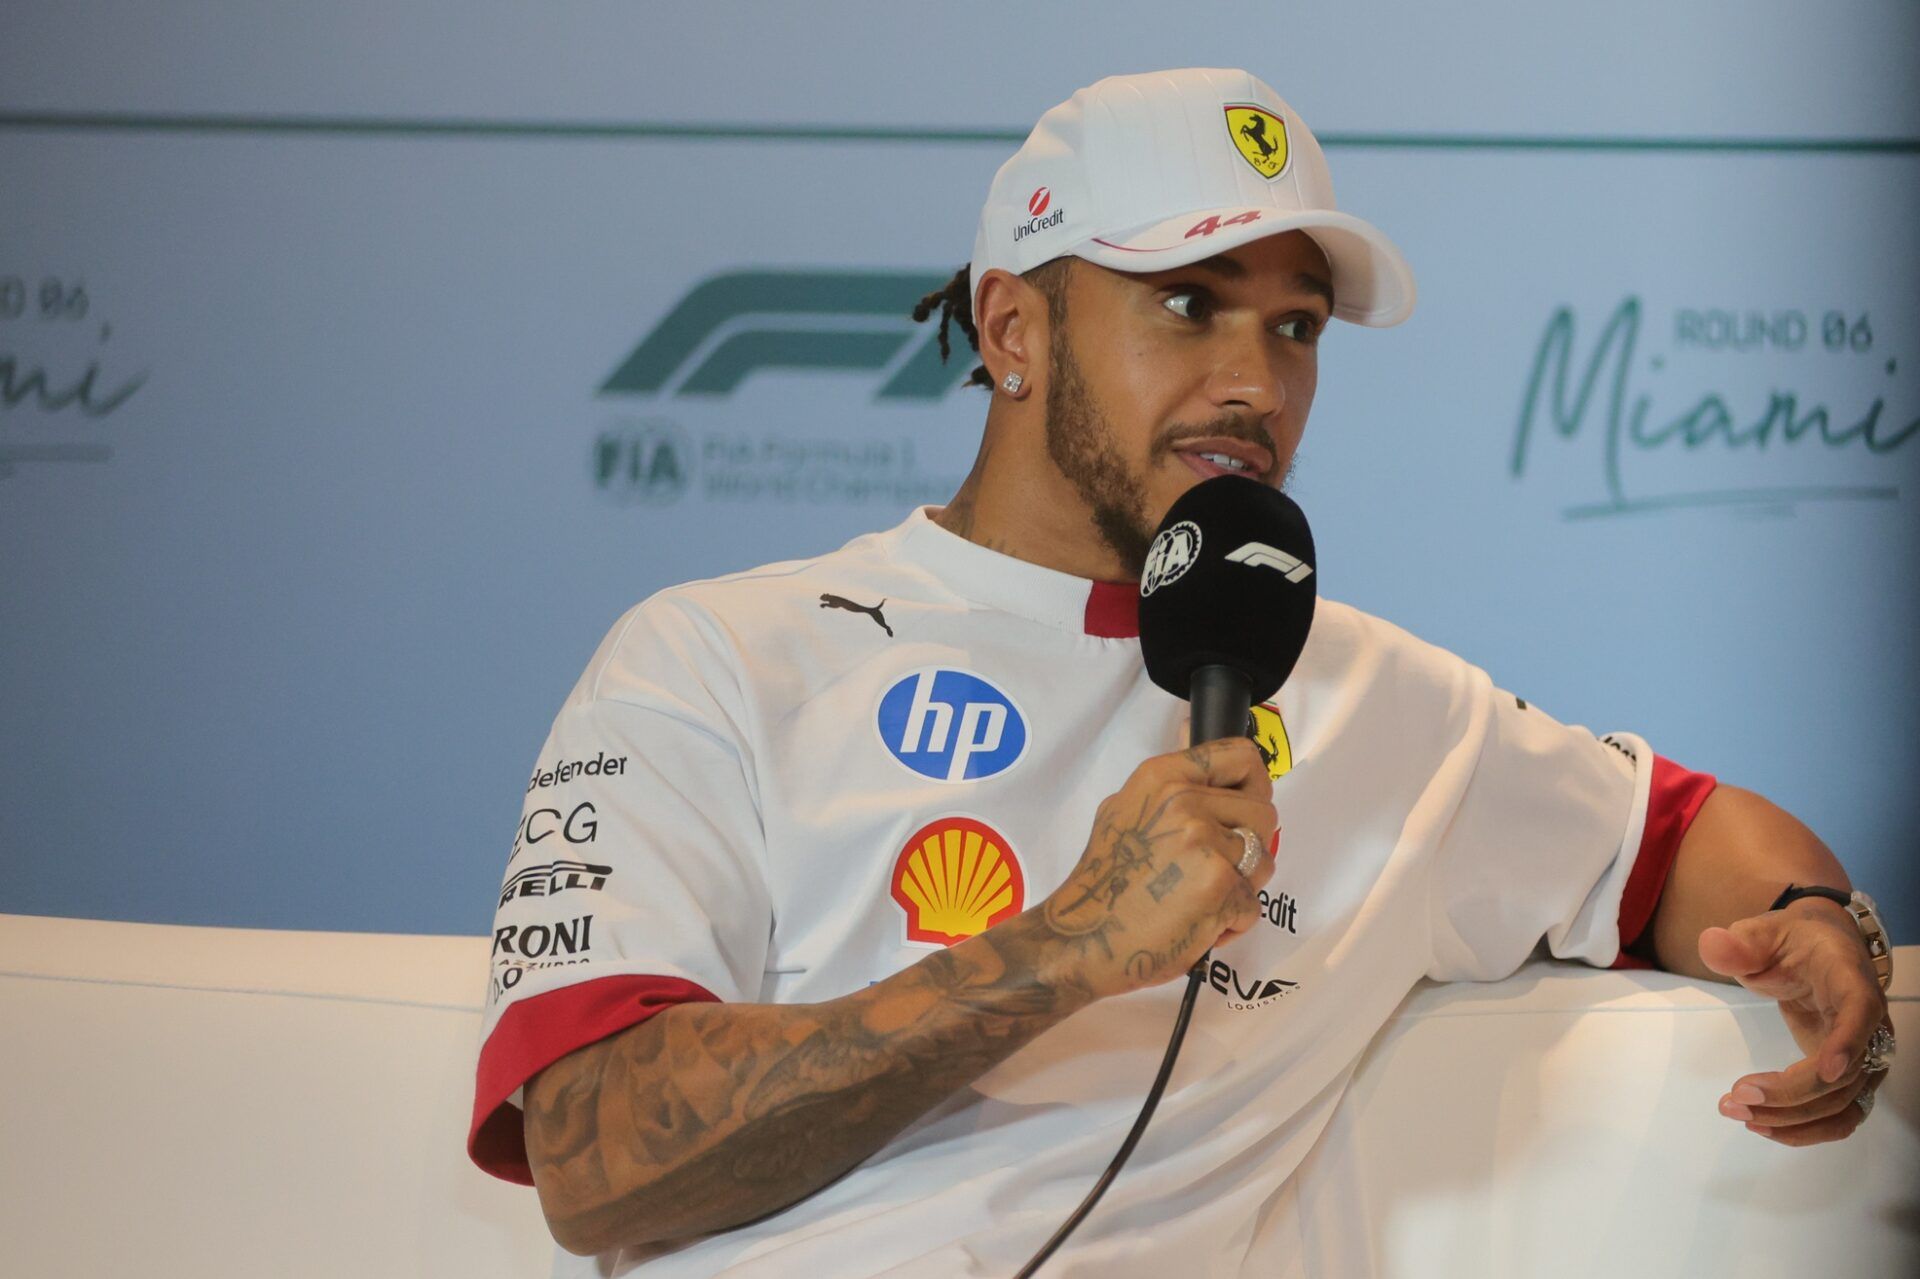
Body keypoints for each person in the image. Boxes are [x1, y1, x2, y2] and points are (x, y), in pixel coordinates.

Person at [468, 68, 1895, 1276]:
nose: (1257, 384)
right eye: (1187, 304)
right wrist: (1066, 948)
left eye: (1295, 327)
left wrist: (1821, 925)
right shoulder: (716, 655)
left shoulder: (1378, 699)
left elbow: (1681, 839)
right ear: (1015, 330)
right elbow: (592, 1157)